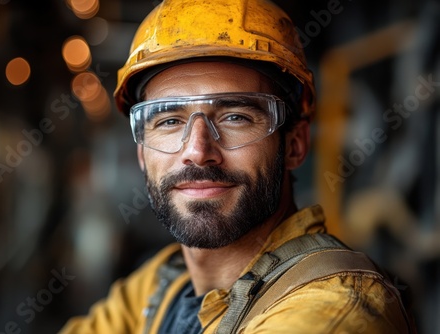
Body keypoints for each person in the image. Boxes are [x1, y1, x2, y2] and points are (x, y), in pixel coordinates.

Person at [60, 0, 415, 333]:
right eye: (169, 121)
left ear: (294, 144)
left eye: (235, 117)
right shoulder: (161, 284)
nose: (198, 152)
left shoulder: (335, 308)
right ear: (141, 154)